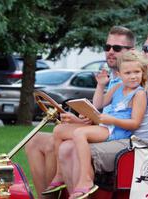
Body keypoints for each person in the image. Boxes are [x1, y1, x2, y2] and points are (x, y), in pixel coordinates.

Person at [57, 31, 148, 198]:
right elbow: (118, 108)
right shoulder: (147, 81)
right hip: (130, 140)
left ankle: (83, 186)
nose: (143, 52)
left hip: (147, 149)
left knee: (71, 149)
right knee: (67, 146)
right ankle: (79, 192)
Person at [24, 25, 136, 199]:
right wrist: (79, 119)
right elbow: (100, 111)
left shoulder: (133, 79)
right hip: (99, 129)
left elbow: (124, 118)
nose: (110, 52)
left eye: (117, 48)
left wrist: (86, 122)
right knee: (35, 141)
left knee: (58, 144)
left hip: (116, 135)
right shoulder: (111, 78)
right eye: (107, 47)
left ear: (132, 51)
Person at [43, 50, 148, 196]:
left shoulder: (139, 94)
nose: (133, 76)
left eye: (137, 72)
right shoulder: (118, 87)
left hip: (117, 131)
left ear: (142, 72)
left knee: (80, 133)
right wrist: (100, 85)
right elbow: (99, 103)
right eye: (128, 73)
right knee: (59, 130)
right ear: (119, 74)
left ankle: (85, 178)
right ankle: (60, 173)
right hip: (105, 125)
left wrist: (111, 120)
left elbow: (135, 123)